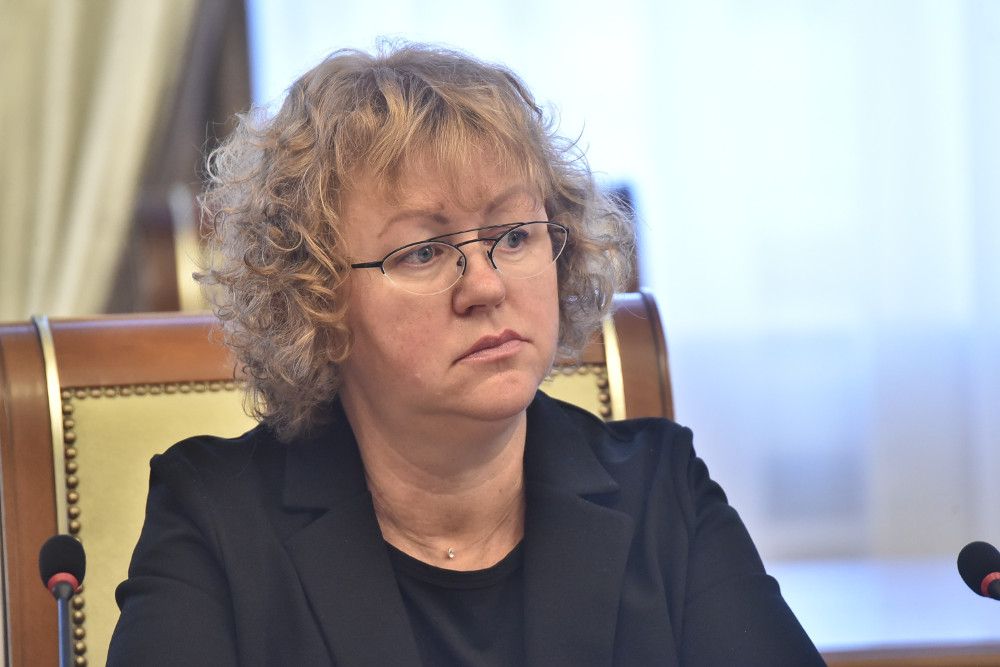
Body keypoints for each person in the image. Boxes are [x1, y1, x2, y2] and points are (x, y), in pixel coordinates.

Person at [107, 42, 825, 666]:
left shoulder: (662, 492)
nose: (485, 285)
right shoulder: (216, 519)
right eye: (423, 251)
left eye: (513, 236)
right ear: (317, 301)